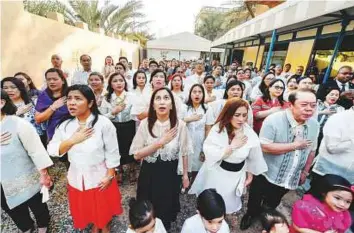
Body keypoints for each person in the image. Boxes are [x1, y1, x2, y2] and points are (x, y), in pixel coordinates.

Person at [47, 85, 123, 233]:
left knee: (103, 208)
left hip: (100, 175)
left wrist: (109, 175)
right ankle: (95, 222)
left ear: (90, 103)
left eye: (77, 98)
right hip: (77, 175)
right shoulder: (66, 125)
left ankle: (103, 224)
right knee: (87, 206)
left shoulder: (103, 123)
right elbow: (52, 149)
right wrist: (71, 141)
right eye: (69, 98)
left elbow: (112, 152)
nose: (71, 103)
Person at [240, 90, 319, 230]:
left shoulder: (314, 124)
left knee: (273, 200)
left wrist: (305, 171)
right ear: (291, 105)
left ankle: (266, 215)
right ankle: (250, 214)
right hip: (266, 170)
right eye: (304, 104)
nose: (309, 109)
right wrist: (294, 146)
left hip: (290, 174)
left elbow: (311, 150)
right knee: (255, 196)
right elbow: (264, 146)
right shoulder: (274, 119)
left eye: (313, 105)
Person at [189, 98, 267, 214]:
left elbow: (253, 156)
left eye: (244, 115)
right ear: (229, 114)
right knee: (214, 202)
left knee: (228, 201)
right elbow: (210, 151)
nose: (241, 119)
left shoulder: (248, 132)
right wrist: (232, 146)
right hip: (218, 173)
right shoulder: (218, 129)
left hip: (236, 174)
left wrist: (249, 175)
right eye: (237, 115)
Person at [130, 87, 191, 230]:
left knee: (165, 209)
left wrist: (186, 175)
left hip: (170, 174)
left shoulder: (180, 125)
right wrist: (159, 143)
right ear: (153, 105)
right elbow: (136, 154)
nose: (162, 102)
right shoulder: (145, 124)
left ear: (172, 104)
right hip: (149, 173)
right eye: (158, 98)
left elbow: (184, 151)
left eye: (166, 98)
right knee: (147, 209)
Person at [1, 90, 53, 233]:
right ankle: (26, 226)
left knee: (36, 202)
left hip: (24, 174)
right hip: (2, 181)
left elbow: (36, 150)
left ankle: (43, 223)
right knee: (10, 206)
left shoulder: (17, 124)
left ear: (1, 103)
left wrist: (44, 173)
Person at [100, 72, 136, 183]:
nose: (119, 83)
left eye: (121, 80)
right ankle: (119, 170)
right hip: (113, 126)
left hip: (129, 125)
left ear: (125, 82)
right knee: (116, 148)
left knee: (131, 148)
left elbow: (137, 113)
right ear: (110, 84)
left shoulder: (131, 96)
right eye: (115, 81)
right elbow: (102, 116)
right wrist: (113, 112)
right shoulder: (107, 98)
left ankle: (132, 170)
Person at [1, 77, 46, 144]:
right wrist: (17, 113)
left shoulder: (34, 102)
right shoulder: (2, 106)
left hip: (37, 140)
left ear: (20, 88)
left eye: (13, 87)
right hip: (13, 142)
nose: (9, 90)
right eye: (5, 88)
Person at [35, 68, 69, 142]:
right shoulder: (44, 96)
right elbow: (38, 119)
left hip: (72, 132)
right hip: (53, 135)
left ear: (63, 80)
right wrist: (53, 107)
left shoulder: (71, 93)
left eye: (55, 79)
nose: (51, 82)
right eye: (48, 79)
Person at [182, 84, 208, 178]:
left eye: (200, 92)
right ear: (190, 94)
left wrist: (205, 146)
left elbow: (208, 128)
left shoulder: (207, 109)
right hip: (186, 139)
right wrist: (190, 119)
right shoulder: (184, 108)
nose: (197, 94)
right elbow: (177, 123)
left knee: (198, 164)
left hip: (200, 140)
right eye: (194, 92)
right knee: (185, 163)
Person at [315, 86, 345, 152]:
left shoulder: (340, 108)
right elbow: (310, 115)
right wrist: (323, 112)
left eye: (336, 95)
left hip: (328, 135)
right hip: (315, 131)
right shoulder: (317, 103)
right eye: (332, 94)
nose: (334, 97)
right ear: (326, 95)